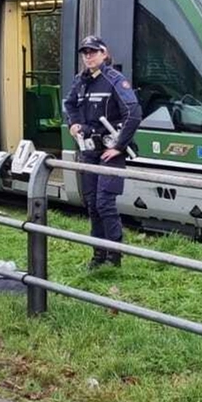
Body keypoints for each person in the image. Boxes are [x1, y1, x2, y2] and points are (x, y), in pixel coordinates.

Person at [63, 35, 142, 269]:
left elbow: (133, 113)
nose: (88, 56)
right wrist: (73, 124)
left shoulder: (115, 79)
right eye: (85, 53)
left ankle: (114, 256)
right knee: (92, 205)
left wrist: (118, 146)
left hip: (110, 152)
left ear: (104, 53)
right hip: (88, 151)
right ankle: (98, 256)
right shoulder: (81, 80)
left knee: (105, 203)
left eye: (93, 52)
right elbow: (69, 104)